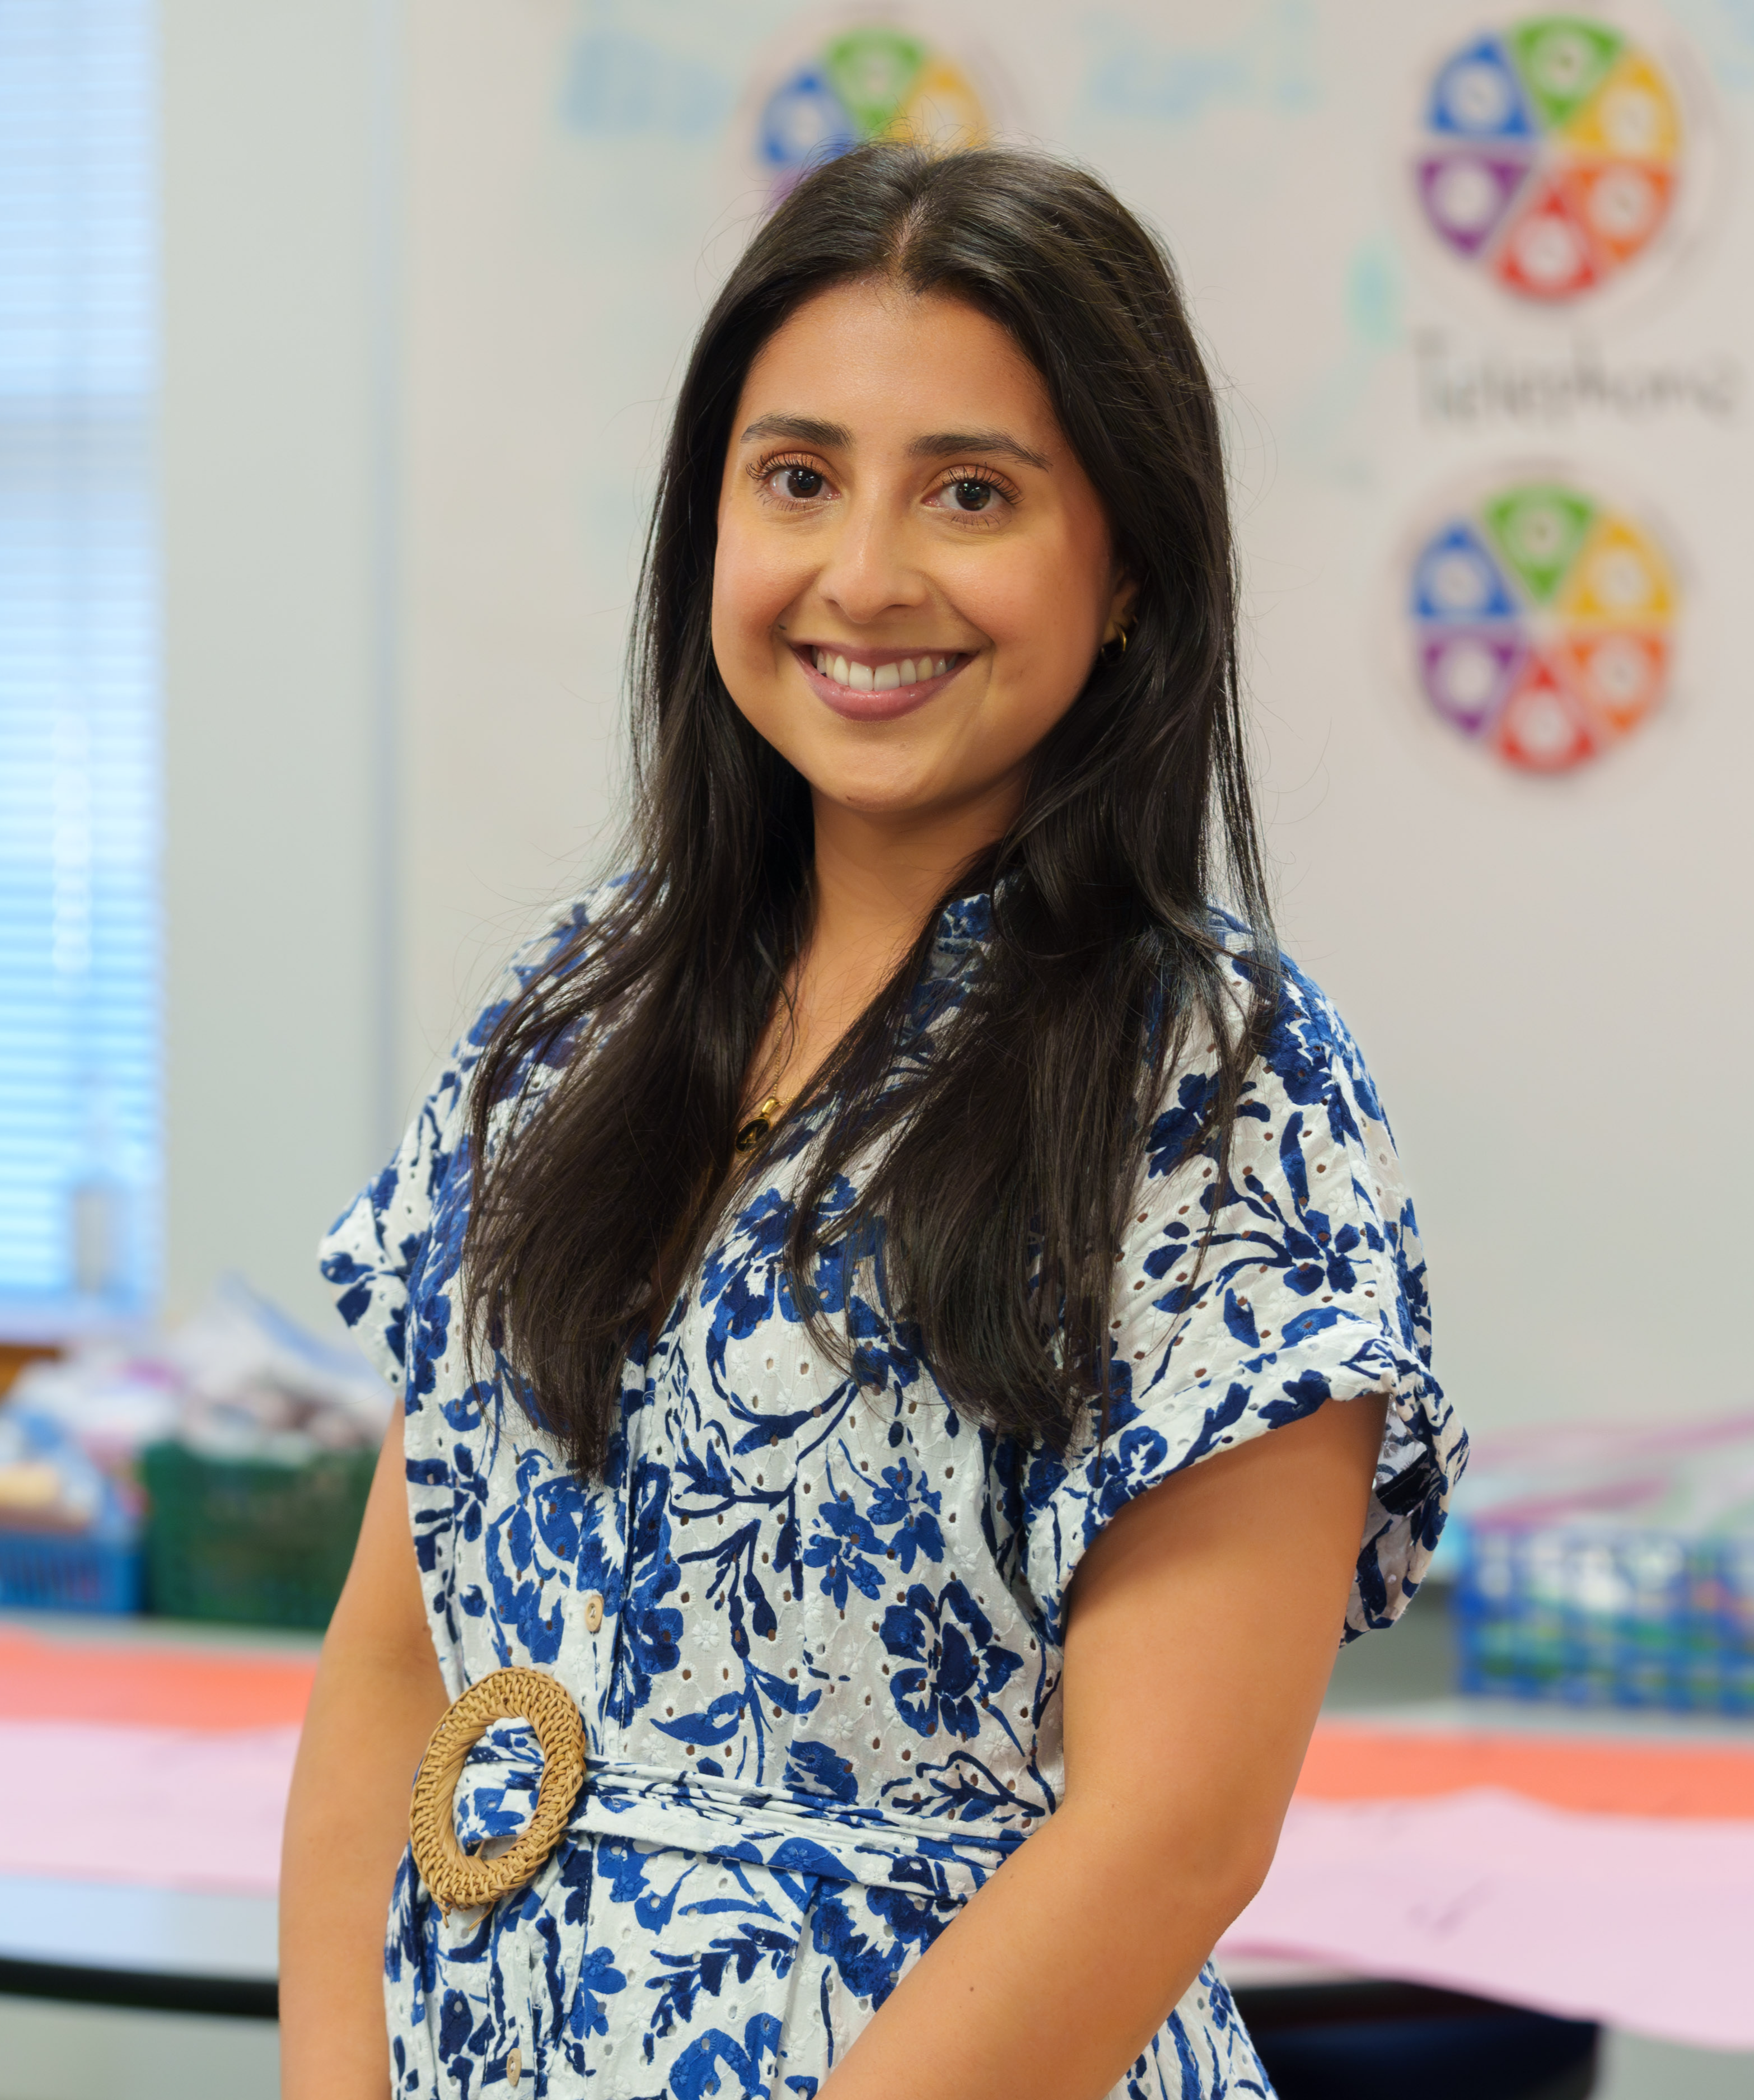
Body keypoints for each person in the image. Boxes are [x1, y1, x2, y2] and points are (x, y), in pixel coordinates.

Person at [281, 140, 1464, 2100]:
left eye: (972, 494)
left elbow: (1167, 1833)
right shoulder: (570, 1015)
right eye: (798, 478)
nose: (863, 576)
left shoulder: (1226, 1083)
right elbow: (397, 1655)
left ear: (1130, 569)